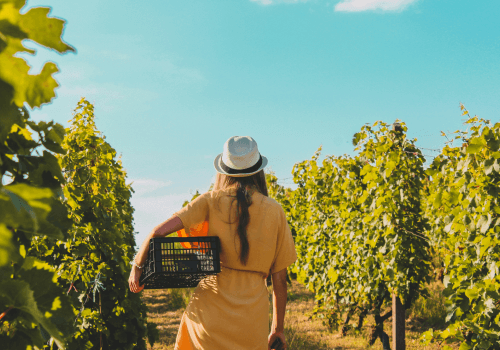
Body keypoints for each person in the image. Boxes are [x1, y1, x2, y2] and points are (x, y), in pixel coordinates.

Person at [129, 136, 298, 350]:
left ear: (224, 170)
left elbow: (157, 232)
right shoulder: (275, 211)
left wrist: (137, 267)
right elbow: (280, 281)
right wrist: (277, 329)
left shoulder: (210, 200)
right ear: (258, 171)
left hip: (207, 317)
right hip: (251, 323)